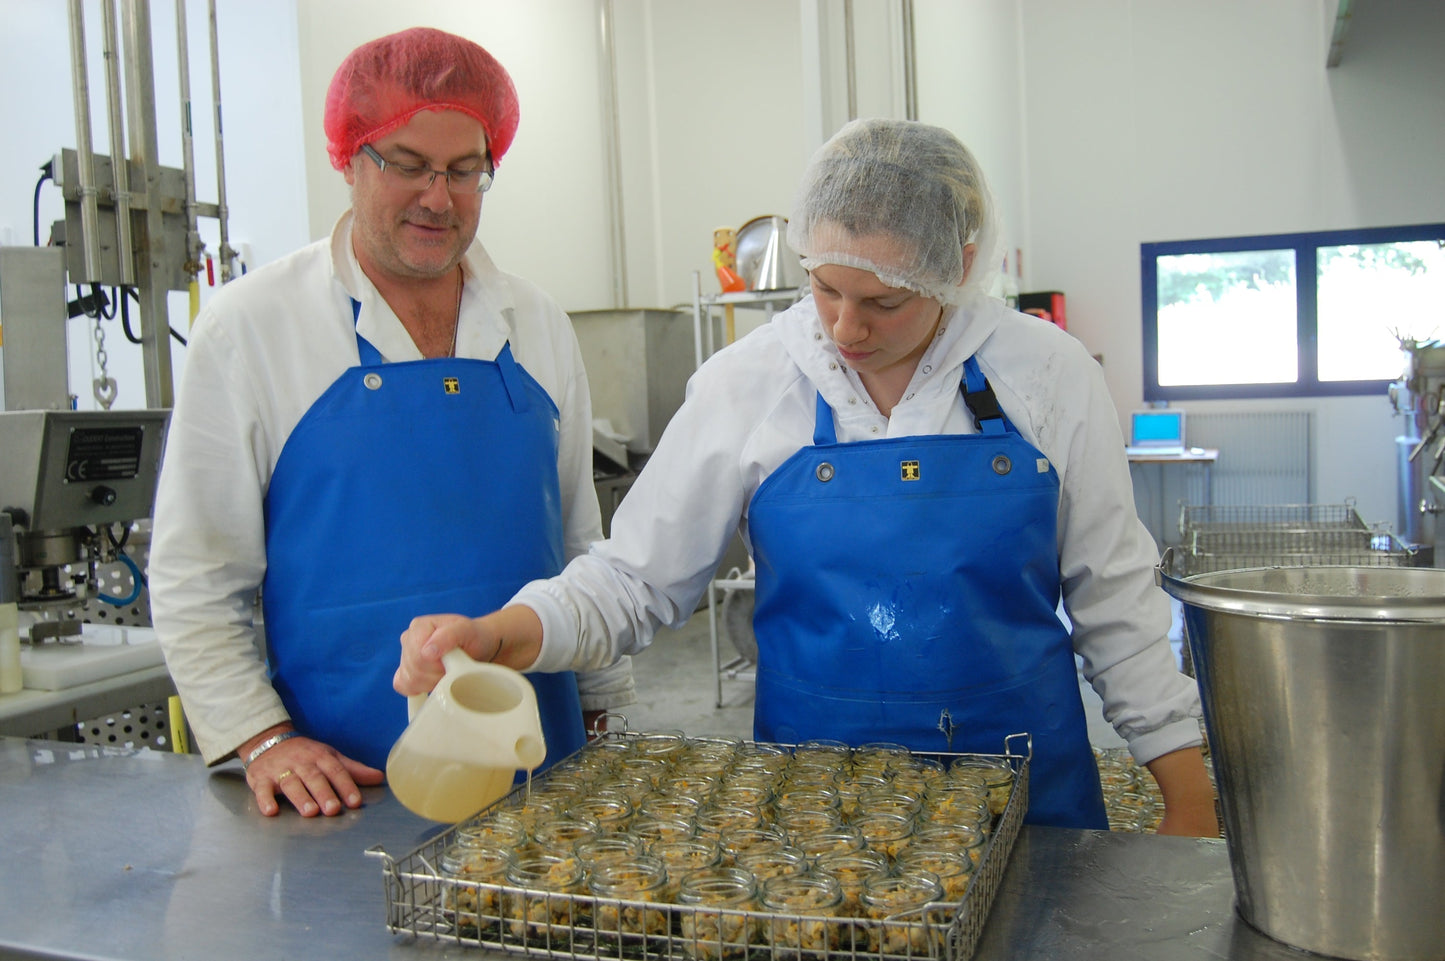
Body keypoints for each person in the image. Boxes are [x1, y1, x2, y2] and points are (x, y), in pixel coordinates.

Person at [395, 118, 1218, 836]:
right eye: (825, 289)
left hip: (1027, 799)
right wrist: (499, 631)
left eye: (884, 303)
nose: (846, 327)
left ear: (957, 267)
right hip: (816, 814)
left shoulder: (1045, 373)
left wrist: (1186, 793)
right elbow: (634, 579)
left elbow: (1114, 597)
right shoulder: (752, 380)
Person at [149, 27, 634, 819]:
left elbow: (579, 538)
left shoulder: (536, 322)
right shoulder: (254, 327)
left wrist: (604, 703)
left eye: (465, 170)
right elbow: (197, 571)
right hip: (344, 783)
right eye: (406, 164)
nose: (438, 197)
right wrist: (260, 736)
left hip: (536, 762)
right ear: (348, 157)